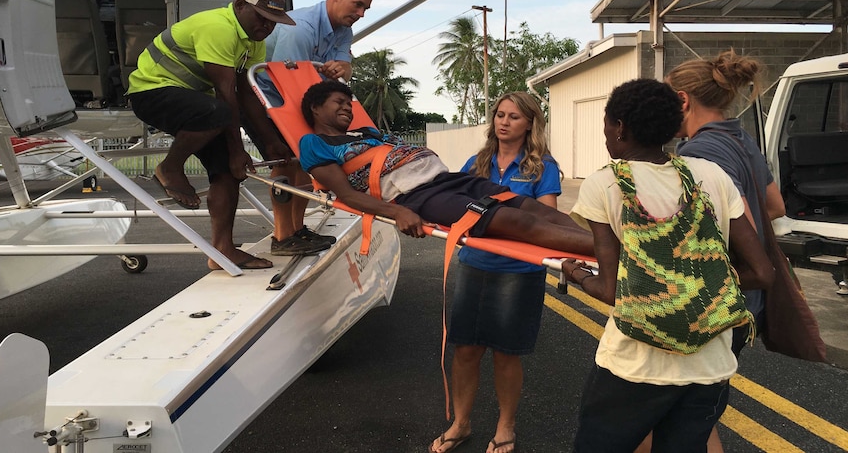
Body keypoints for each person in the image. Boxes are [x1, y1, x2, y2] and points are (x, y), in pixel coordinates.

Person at [561, 78, 774, 453]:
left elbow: (611, 290)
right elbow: (762, 272)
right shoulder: (712, 175)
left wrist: (574, 272)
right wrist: (699, 287)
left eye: (607, 125)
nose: (607, 135)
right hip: (710, 365)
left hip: (635, 365)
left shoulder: (606, 184)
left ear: (621, 127)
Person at [297, 80, 594, 257]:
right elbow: (347, 195)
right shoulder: (314, 143)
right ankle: (610, 254)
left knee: (532, 208)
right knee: (516, 221)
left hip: (447, 180)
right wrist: (399, 212)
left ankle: (611, 245)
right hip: (417, 197)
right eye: (339, 102)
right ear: (315, 108)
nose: (348, 108)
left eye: (349, 104)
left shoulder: (365, 134)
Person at [663, 51, 788, 452]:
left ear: (682, 101)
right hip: (744, 304)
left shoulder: (698, 154)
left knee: (669, 419)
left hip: (715, 305)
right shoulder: (739, 138)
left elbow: (744, 225)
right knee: (698, 418)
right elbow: (776, 206)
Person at [127, 0, 300, 270]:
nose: (268, 27)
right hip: (151, 92)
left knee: (226, 171)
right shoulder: (218, 27)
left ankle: (222, 250)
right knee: (219, 114)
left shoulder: (252, 41)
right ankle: (169, 167)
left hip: (197, 104)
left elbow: (247, 95)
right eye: (262, 17)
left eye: (274, 21)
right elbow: (226, 93)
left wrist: (269, 141)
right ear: (240, 5)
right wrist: (237, 150)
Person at [428, 92, 560, 453]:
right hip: (475, 267)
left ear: (530, 123)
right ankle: (461, 423)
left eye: (513, 117)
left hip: (519, 273)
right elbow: (460, 208)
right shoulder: (477, 162)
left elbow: (547, 219)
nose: (504, 122)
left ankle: (505, 427)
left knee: (505, 353)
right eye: (500, 115)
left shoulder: (542, 167)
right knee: (466, 350)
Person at [254, 0, 373, 255]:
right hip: (272, 98)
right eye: (357, 5)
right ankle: (282, 236)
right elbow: (288, 83)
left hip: (306, 97)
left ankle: (296, 229)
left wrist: (342, 69)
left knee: (307, 161)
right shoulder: (301, 29)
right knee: (287, 161)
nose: (361, 14)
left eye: (366, 8)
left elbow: (345, 67)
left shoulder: (343, 29)